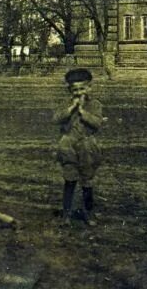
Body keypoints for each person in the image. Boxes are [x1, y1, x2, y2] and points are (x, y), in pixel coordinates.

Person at [53, 67, 103, 226]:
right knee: (70, 179)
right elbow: (57, 119)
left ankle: (89, 213)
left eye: (82, 88)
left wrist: (82, 112)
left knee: (87, 181)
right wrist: (71, 109)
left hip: (87, 145)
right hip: (68, 144)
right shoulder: (65, 104)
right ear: (69, 90)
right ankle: (66, 214)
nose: (79, 93)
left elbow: (97, 123)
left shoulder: (94, 104)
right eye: (75, 90)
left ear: (89, 88)